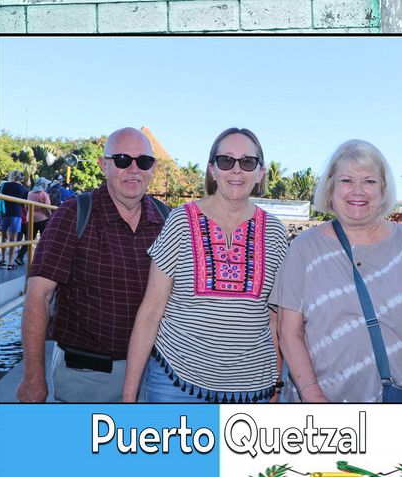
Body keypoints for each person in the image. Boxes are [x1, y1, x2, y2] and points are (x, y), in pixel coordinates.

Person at [271, 139, 402, 403]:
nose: (357, 191)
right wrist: (313, 397)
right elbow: (289, 332)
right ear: (331, 188)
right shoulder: (302, 249)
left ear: (383, 189)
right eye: (347, 181)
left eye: (369, 181)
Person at [122, 127, 288, 403]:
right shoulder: (180, 222)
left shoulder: (275, 233)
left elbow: (274, 320)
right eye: (226, 161)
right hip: (174, 385)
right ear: (212, 170)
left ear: (260, 173)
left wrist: (277, 386)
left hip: (252, 391)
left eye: (247, 162)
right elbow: (151, 312)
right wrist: (128, 398)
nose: (236, 170)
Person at [16, 127, 165, 403]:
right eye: (122, 160)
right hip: (88, 376)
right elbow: (38, 295)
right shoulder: (75, 215)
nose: (134, 169)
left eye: (143, 161)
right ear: (103, 164)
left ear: (151, 167)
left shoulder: (166, 220)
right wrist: (33, 377)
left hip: (154, 376)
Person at [15, 177, 52, 265]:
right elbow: (47, 208)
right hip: (42, 219)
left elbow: (26, 206)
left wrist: (29, 214)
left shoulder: (30, 193)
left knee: (29, 239)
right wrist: (50, 216)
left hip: (30, 219)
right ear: (43, 185)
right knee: (43, 240)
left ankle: (19, 257)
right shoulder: (44, 194)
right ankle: (40, 259)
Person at [0, 170, 28, 270]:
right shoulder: (24, 189)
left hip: (4, 212)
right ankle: (10, 263)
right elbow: (24, 204)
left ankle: (2, 259)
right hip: (16, 213)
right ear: (21, 178)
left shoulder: (4, 185)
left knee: (4, 236)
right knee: (13, 238)